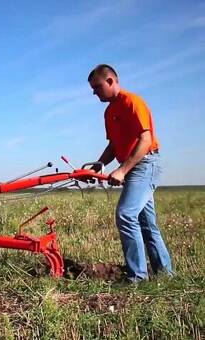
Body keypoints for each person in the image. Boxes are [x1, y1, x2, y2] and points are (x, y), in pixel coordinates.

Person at [88, 64, 173, 283]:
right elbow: (114, 146)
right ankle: (166, 275)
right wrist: (99, 164)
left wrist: (122, 170)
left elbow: (145, 140)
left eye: (97, 87)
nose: (94, 93)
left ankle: (137, 277)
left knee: (125, 214)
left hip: (145, 164)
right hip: (132, 167)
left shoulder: (132, 101)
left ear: (110, 81)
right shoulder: (109, 112)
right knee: (146, 223)